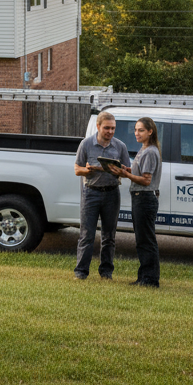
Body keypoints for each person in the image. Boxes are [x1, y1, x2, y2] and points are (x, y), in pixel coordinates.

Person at [73, 110, 131, 280]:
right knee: (86, 234)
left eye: (113, 128)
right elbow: (77, 169)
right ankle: (81, 272)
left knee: (109, 236)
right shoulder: (86, 144)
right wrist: (88, 169)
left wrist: (120, 171)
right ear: (98, 126)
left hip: (112, 193)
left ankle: (106, 273)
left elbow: (127, 170)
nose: (110, 132)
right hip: (91, 192)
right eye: (107, 128)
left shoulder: (120, 146)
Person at [113, 116, 162, 287]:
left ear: (150, 131)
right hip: (140, 197)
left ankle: (150, 279)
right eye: (135, 130)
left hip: (145, 197)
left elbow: (146, 180)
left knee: (146, 239)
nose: (137, 133)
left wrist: (126, 175)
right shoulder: (144, 149)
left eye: (141, 130)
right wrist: (127, 169)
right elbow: (139, 172)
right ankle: (144, 276)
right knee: (142, 239)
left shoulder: (149, 151)